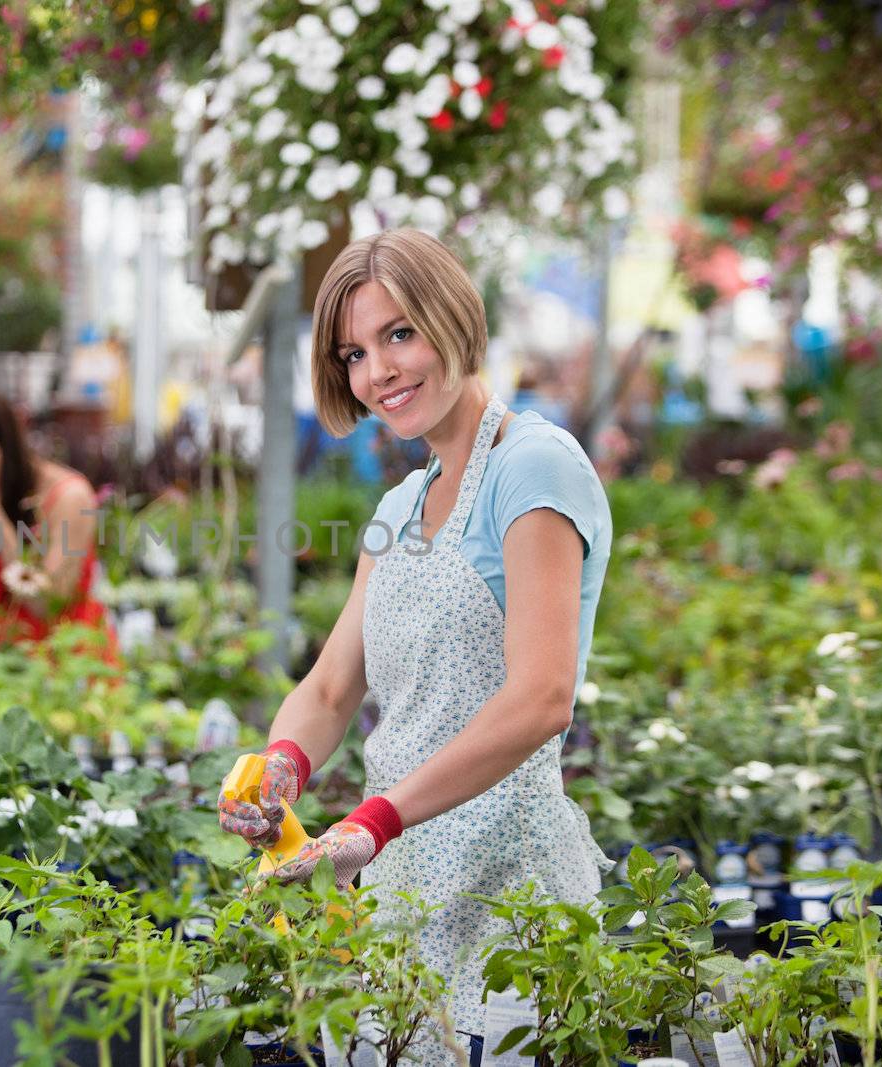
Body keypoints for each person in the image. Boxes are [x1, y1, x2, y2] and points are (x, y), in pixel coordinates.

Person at [215, 230, 613, 1064]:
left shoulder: (533, 468)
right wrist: (283, 764)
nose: (379, 371)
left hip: (508, 883)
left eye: (400, 334)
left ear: (453, 318)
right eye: (355, 352)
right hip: (398, 888)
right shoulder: (401, 505)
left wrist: (374, 822)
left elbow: (543, 697)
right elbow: (329, 690)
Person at [0, 389, 115, 653]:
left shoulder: (70, 497)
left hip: (66, 669)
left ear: (8, 446)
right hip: (5, 668)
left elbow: (48, 603)